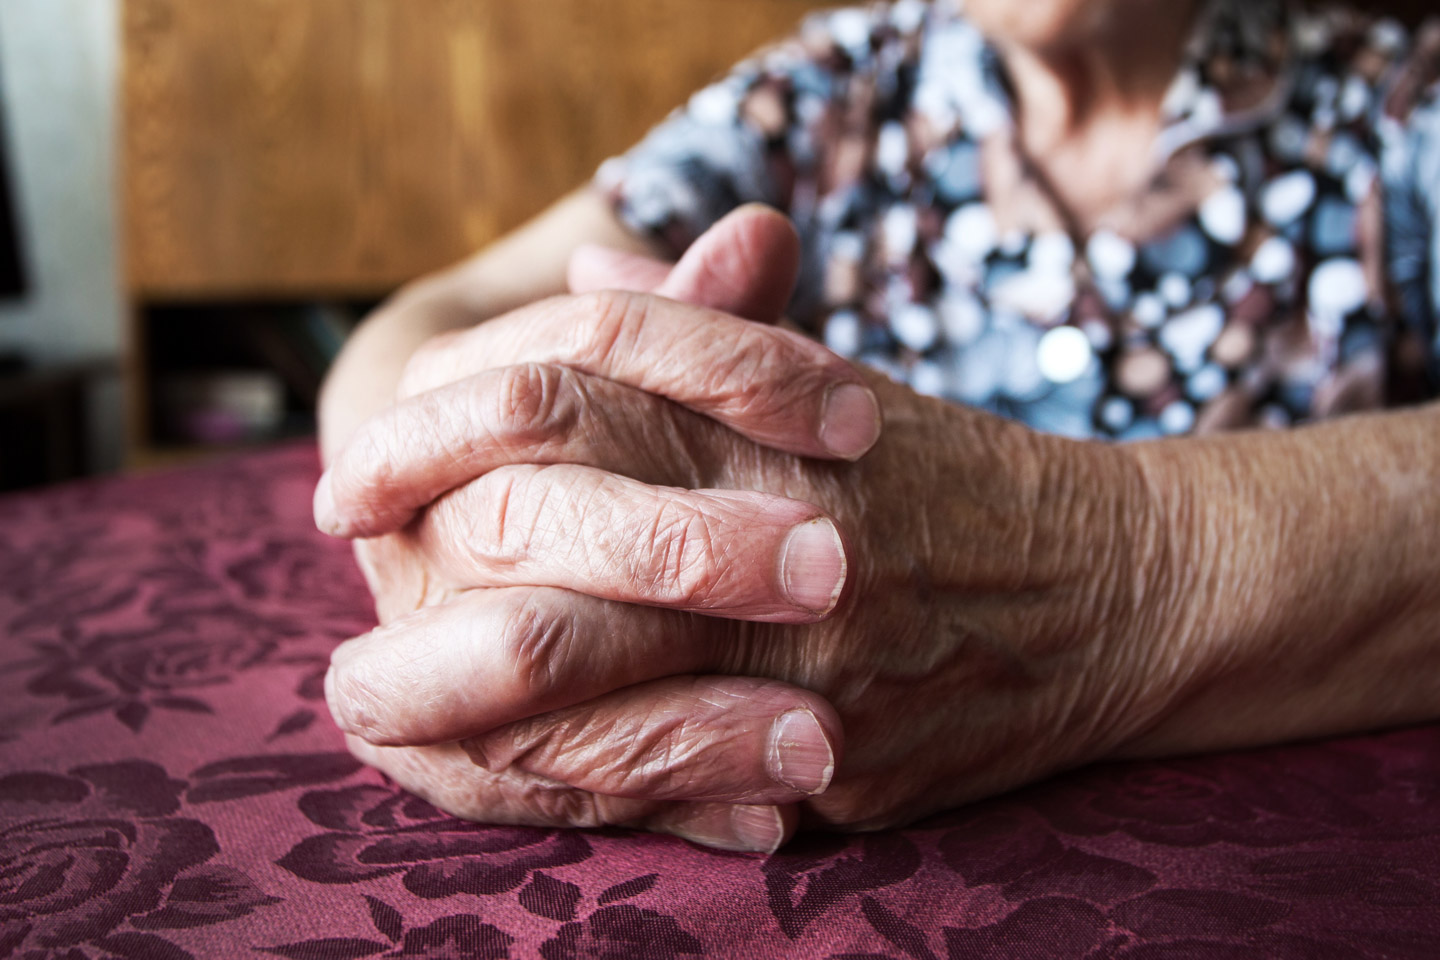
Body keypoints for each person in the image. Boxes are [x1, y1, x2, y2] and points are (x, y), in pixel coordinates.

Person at [311, 0, 1440, 853]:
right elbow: (431, 319)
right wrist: (465, 499)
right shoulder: (842, 85)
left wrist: (1105, 576)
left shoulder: (1398, 107)